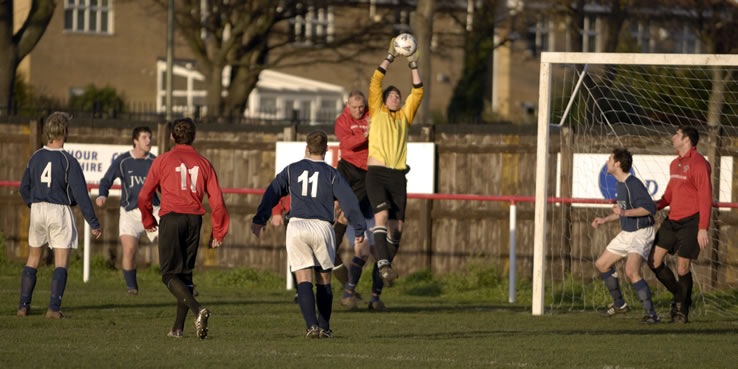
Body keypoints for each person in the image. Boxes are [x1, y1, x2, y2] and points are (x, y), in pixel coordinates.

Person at [251, 130, 366, 339]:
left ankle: (311, 326)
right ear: (326, 150)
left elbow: (272, 192)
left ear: (306, 148)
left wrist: (260, 218)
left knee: (303, 278)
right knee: (323, 280)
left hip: (296, 226)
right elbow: (349, 202)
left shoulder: (292, 170)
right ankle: (325, 328)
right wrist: (359, 228)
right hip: (321, 227)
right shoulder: (332, 174)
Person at [138, 117, 229, 339]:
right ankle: (177, 329)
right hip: (193, 220)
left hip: (172, 218)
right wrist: (218, 232)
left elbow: (143, 196)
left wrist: (148, 220)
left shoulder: (162, 160)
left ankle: (198, 310)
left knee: (169, 274)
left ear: (171, 136)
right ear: (194, 136)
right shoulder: (204, 163)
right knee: (185, 276)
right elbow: (217, 202)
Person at [17, 112, 103, 319]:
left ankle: (23, 306)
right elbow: (81, 194)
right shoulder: (67, 160)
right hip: (58, 211)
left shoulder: (35, 156)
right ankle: (53, 308)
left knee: (33, 258)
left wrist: (34, 203)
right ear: (65, 131)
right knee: (61, 261)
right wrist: (93, 222)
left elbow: (23, 188)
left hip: (37, 210)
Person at [366, 37, 423, 288]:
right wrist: (390, 56)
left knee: (397, 228)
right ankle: (383, 265)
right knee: (382, 215)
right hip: (377, 173)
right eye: (391, 95)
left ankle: (383, 270)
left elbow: (418, 91)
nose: (395, 98)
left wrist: (412, 64)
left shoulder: (404, 117)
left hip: (398, 176)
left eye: (398, 95)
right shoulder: (377, 110)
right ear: (383, 99)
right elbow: (376, 80)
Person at [648, 126, 712, 323]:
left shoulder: (699, 163)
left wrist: (703, 227)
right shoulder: (675, 163)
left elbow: (706, 197)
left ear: (686, 140)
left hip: (692, 222)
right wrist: (653, 206)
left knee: (683, 267)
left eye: (677, 134)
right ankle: (680, 297)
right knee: (654, 261)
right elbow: (669, 195)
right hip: (672, 220)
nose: (673, 136)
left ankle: (682, 310)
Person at [591, 148, 659, 324]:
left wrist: (624, 212)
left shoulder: (633, 183)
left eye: (609, 159)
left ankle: (651, 314)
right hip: (627, 233)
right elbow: (623, 210)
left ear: (617, 164)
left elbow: (650, 208)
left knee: (631, 271)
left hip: (641, 232)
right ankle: (619, 304)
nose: (607, 162)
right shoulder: (619, 184)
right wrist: (605, 219)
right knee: (602, 264)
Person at [96, 126, 159, 295]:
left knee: (169, 245)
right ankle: (132, 288)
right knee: (129, 250)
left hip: (153, 211)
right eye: (145, 137)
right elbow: (106, 179)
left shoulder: (155, 161)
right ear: (135, 141)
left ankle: (184, 283)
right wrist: (102, 194)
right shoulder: (123, 161)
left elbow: (166, 186)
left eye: (150, 137)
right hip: (130, 212)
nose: (148, 141)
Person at [333, 90, 378, 310]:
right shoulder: (342, 121)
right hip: (347, 168)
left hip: (366, 171)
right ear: (348, 105)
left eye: (361, 107)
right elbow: (347, 144)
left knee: (350, 212)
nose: (359, 111)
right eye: (354, 107)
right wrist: (366, 135)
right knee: (340, 207)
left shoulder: (373, 115)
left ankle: (370, 294)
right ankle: (332, 247)